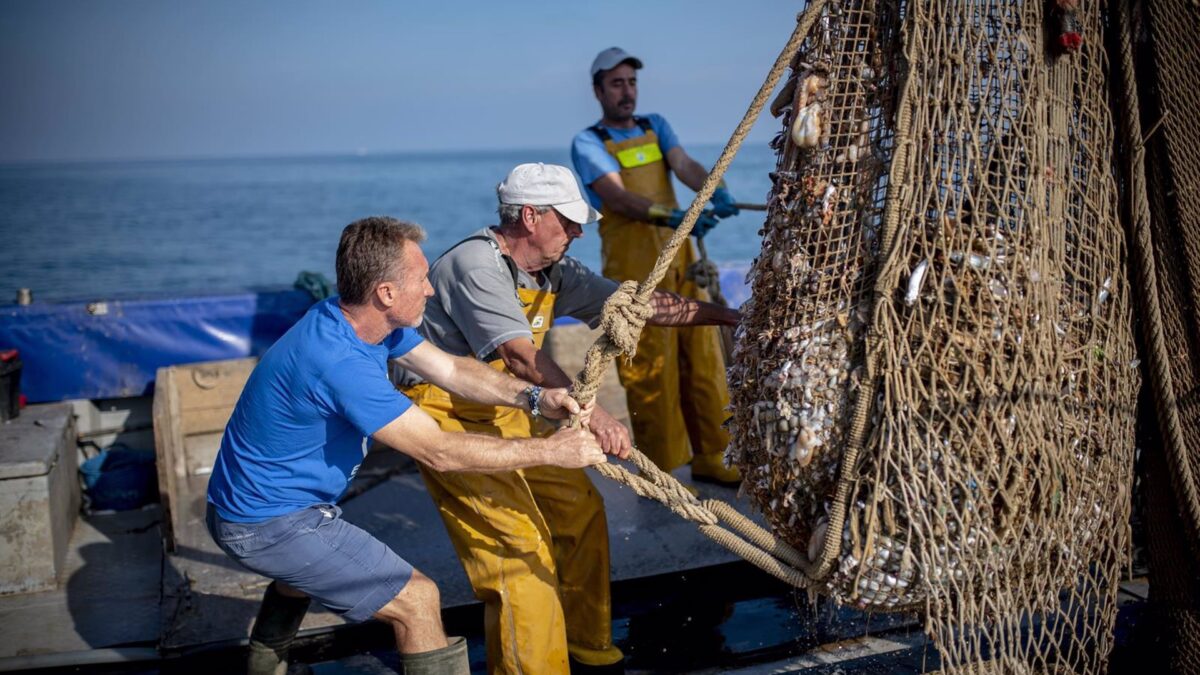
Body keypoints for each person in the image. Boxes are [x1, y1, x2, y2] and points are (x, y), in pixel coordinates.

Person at [205, 216, 606, 675]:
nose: (432, 290)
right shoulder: (340, 363)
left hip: (255, 508)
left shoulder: (352, 318)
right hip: (268, 523)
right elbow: (440, 451)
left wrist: (533, 397)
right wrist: (552, 452)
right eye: (421, 280)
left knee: (302, 576)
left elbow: (452, 370)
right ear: (386, 293)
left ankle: (263, 663)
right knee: (417, 600)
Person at [398, 163, 739, 674]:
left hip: (513, 404)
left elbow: (637, 307)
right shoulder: (477, 265)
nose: (580, 231)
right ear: (530, 217)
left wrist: (730, 316)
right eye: (570, 221)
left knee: (580, 512)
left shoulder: (555, 270)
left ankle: (586, 647)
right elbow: (520, 357)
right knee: (516, 549)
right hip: (447, 413)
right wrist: (596, 414)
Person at [570, 47, 742, 483]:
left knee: (702, 359)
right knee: (649, 369)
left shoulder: (655, 126)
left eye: (631, 82)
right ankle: (661, 468)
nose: (626, 92)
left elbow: (683, 165)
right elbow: (617, 197)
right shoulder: (589, 143)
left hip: (679, 259)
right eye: (616, 84)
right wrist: (675, 216)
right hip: (634, 270)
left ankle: (713, 455)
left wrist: (713, 189)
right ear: (597, 91)